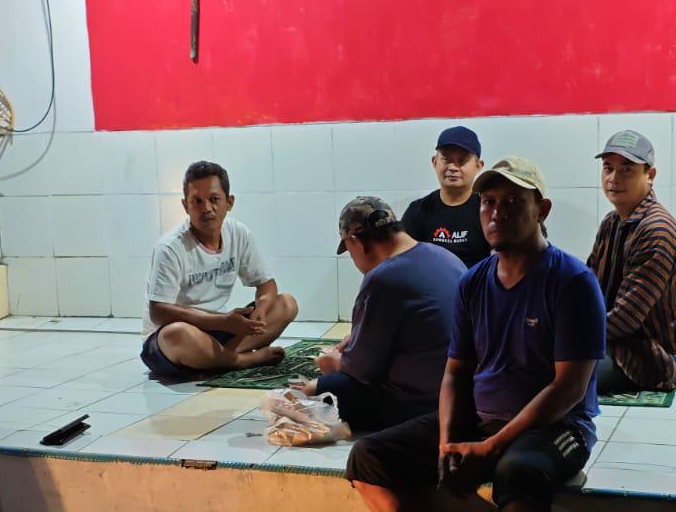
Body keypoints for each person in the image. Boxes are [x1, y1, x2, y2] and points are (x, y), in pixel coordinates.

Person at [346, 157, 606, 512]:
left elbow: (568, 388)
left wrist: (491, 448)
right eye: (488, 202)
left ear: (542, 210)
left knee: (519, 474)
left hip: (558, 428)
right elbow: (456, 371)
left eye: (513, 202)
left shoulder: (572, 282)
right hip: (483, 421)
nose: (497, 213)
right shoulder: (474, 283)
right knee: (368, 457)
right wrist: (446, 442)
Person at [302, 196, 464, 433]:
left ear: (356, 242)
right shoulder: (444, 256)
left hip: (422, 404)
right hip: (463, 394)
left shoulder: (383, 278)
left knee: (315, 389)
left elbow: (360, 371)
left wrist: (332, 362)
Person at [141, 160, 299, 379]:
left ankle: (215, 360)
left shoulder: (238, 233)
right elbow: (158, 312)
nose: (206, 208)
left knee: (286, 304)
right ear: (185, 206)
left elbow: (266, 284)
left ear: (229, 202)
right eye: (197, 201)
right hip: (171, 341)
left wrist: (261, 309)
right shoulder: (170, 247)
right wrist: (222, 322)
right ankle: (241, 360)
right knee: (178, 333)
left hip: (219, 332)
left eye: (214, 199)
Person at [586, 130, 676, 395]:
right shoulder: (611, 222)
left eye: (627, 169)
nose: (613, 178)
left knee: (554, 371)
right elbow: (586, 286)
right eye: (608, 168)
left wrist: (571, 335)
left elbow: (626, 318)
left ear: (650, 175)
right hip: (613, 342)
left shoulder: (657, 229)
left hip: (648, 358)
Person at [401, 126, 492, 267]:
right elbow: (402, 261)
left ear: (478, 166)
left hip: (477, 281)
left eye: (462, 160)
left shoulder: (489, 210)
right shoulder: (417, 211)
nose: (453, 167)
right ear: (434, 162)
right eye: (446, 159)